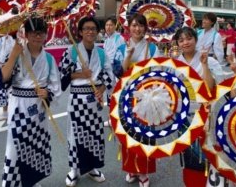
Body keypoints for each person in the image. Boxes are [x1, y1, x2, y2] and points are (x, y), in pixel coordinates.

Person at [0, 16, 61, 187]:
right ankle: (11, 183)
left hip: (38, 108)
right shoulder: (17, 53)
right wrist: (13, 56)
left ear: (46, 35)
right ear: (26, 34)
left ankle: (30, 180)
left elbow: (56, 86)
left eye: (41, 33)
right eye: (34, 33)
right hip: (19, 105)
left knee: (34, 146)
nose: (37, 37)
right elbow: (3, 77)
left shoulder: (49, 59)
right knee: (14, 147)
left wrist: (47, 92)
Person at [59, 16, 115, 187]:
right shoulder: (71, 51)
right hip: (77, 99)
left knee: (94, 135)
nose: (90, 31)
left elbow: (108, 75)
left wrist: (102, 89)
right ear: (81, 32)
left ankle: (91, 168)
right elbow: (62, 77)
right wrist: (79, 74)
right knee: (75, 136)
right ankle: (74, 169)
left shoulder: (101, 52)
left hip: (95, 99)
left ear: (97, 32)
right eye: (86, 28)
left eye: (93, 28)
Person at [113, 13, 161, 187]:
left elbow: (160, 73)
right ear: (129, 27)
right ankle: (131, 169)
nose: (137, 29)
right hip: (127, 96)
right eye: (134, 25)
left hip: (147, 97)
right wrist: (128, 56)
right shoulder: (121, 47)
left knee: (145, 135)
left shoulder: (153, 49)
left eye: (141, 26)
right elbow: (118, 73)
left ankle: (144, 172)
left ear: (145, 29)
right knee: (128, 135)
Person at [173, 27, 224, 187]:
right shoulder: (175, 62)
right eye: (181, 40)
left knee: (208, 152)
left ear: (196, 39)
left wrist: (204, 65)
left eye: (188, 38)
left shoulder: (209, 60)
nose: (185, 42)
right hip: (185, 114)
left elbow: (210, 88)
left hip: (206, 113)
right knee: (190, 154)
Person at [103, 17, 125, 126]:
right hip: (107, 70)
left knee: (117, 94)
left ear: (115, 26)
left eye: (111, 25)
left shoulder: (119, 38)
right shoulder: (106, 40)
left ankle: (119, 119)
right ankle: (111, 118)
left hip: (115, 70)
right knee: (109, 95)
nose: (108, 27)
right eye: (107, 25)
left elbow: (121, 56)